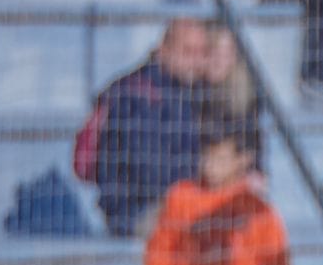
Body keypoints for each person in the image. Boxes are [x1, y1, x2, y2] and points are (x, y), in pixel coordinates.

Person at [144, 114, 290, 265]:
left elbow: (276, 264)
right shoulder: (182, 196)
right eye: (207, 156)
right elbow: (161, 246)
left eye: (220, 158)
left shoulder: (256, 208)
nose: (210, 165)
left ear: (243, 159)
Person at [85, 18, 221, 237]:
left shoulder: (190, 92)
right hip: (134, 212)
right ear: (163, 50)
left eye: (201, 52)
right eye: (187, 52)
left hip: (177, 204)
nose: (195, 61)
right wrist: (206, 172)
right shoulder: (138, 95)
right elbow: (149, 173)